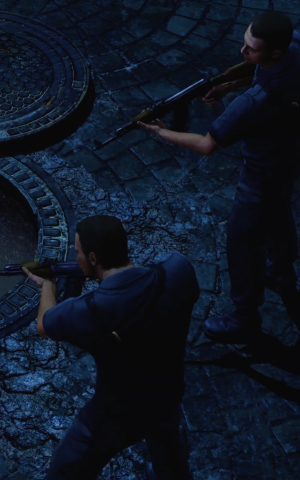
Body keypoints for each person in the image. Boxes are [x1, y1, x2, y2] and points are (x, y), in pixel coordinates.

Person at [138, 12, 300, 344]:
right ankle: (282, 272)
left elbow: (207, 144)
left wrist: (162, 132)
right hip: (288, 157)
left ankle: (244, 318)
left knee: (241, 243)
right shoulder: (294, 46)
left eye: (251, 49)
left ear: (275, 52)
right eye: (244, 42)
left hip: (259, 174)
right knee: (279, 210)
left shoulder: (253, 103)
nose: (242, 52)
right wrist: (231, 84)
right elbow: (258, 72)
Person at [21, 215, 199, 480]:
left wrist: (48, 285)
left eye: (78, 253)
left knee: (66, 470)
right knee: (168, 450)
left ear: (93, 258)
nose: (77, 258)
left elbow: (45, 324)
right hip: (167, 393)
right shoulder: (177, 269)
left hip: (116, 412)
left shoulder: (89, 310)